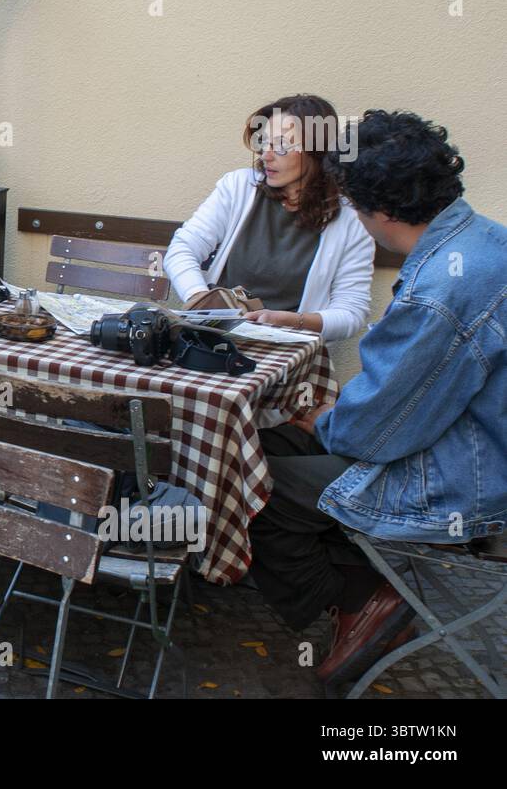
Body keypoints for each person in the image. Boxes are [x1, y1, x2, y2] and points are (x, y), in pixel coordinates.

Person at [250, 108, 507, 687]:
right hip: (471, 442)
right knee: (263, 441)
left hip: (471, 478)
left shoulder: (441, 289)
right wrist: (327, 419)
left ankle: (364, 600)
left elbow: (379, 429)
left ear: (381, 211)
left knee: (250, 487)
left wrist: (328, 421)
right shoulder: (484, 240)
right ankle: (366, 584)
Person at [163, 94, 375, 341]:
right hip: (215, 338)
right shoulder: (238, 187)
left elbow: (351, 313)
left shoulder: (351, 219)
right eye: (264, 142)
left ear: (317, 152)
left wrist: (293, 321)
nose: (266, 155)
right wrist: (204, 303)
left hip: (287, 352)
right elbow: (182, 248)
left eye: (282, 146)